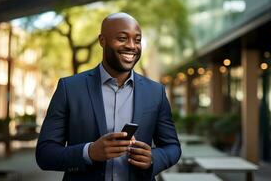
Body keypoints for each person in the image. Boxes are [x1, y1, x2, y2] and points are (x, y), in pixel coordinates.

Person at [36, 12, 181, 181]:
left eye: (138, 40)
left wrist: (153, 159)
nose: (132, 46)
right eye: (122, 38)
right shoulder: (69, 88)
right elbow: (45, 154)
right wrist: (89, 152)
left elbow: (172, 147)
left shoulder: (155, 92)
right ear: (102, 41)